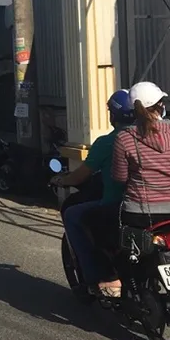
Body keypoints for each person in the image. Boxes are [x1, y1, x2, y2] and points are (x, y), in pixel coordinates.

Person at [95, 80, 170, 298]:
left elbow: (120, 178)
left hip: (140, 214)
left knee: (114, 242)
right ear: (161, 106)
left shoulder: (124, 138)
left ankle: (121, 284)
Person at [51, 90, 134, 293]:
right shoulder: (160, 138)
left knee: (72, 214)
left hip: (120, 205)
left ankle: (96, 276)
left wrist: (62, 180)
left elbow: (82, 176)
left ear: (114, 115)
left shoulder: (111, 142)